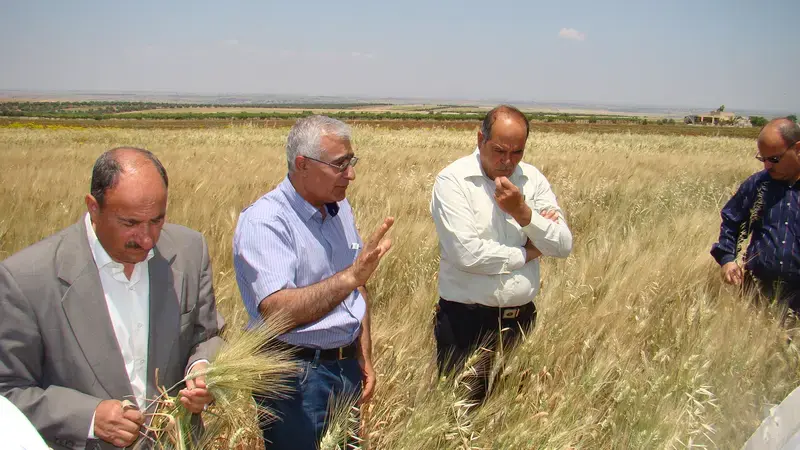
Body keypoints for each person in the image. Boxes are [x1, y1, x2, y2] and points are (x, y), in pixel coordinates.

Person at [0, 147, 224, 450]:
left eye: (157, 220)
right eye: (130, 223)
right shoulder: (25, 279)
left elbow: (207, 334)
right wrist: (88, 417)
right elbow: (8, 392)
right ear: (94, 207)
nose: (147, 239)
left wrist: (202, 368)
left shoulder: (189, 250)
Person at [233, 115, 393, 449]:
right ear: (303, 164)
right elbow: (278, 311)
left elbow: (355, 287)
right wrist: (350, 277)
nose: (350, 174)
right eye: (340, 165)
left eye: (351, 162)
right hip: (294, 378)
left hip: (344, 369)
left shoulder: (338, 208)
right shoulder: (265, 221)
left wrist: (363, 355)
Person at [430, 105, 573, 404]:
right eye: (499, 150)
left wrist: (522, 212)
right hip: (466, 326)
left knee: (515, 415)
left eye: (517, 152)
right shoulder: (453, 181)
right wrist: (528, 252)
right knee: (460, 420)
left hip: (521, 322)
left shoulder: (533, 180)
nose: (507, 161)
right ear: (480, 138)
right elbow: (467, 254)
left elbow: (561, 245)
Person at [711, 117, 800, 321]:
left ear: (798, 149)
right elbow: (732, 220)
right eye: (763, 159)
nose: (767, 166)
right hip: (757, 295)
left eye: (774, 159)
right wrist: (727, 259)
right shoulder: (759, 184)